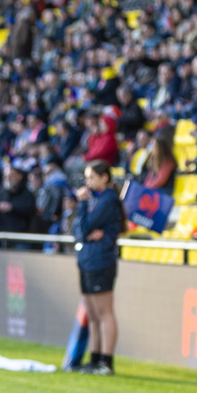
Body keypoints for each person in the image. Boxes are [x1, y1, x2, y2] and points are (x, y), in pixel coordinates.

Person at [73, 160, 124, 376]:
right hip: (87, 260)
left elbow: (84, 228)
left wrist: (83, 205)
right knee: (93, 315)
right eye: (86, 178)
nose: (87, 182)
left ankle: (106, 361)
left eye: (91, 177)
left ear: (105, 177)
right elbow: (78, 232)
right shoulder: (96, 200)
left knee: (104, 313)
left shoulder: (108, 200)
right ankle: (94, 359)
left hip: (100, 260)